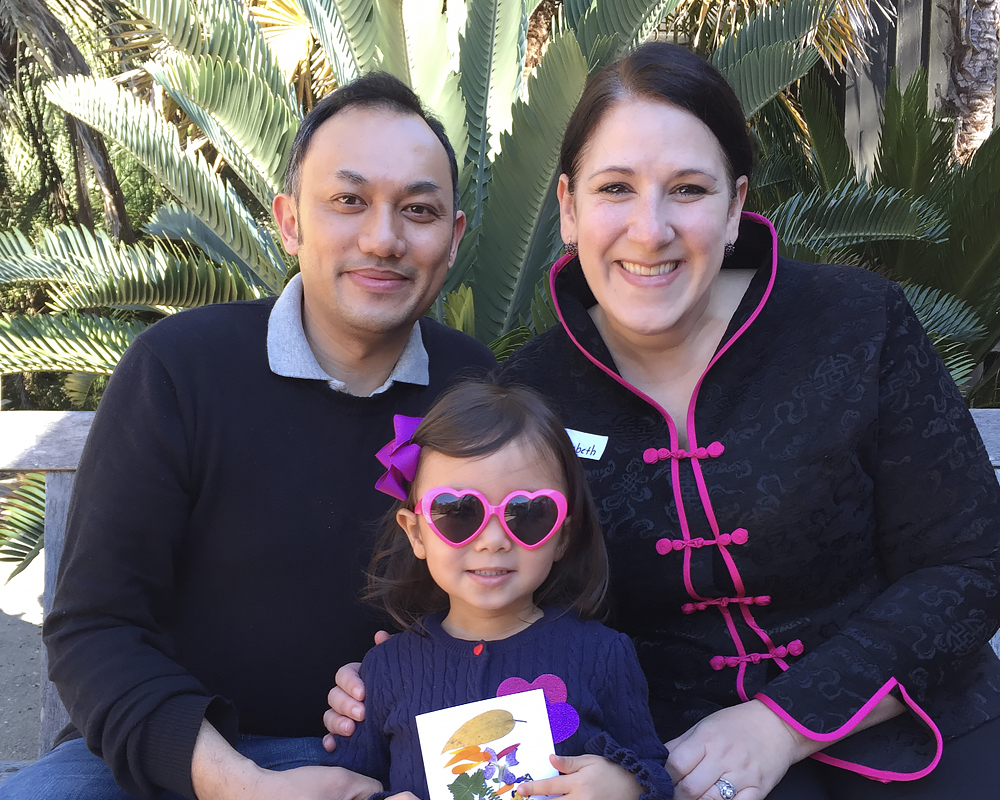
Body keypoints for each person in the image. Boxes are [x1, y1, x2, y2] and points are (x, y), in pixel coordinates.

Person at [325, 43, 1000, 800]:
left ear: (736, 204)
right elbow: (498, 583)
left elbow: (969, 564)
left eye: (687, 189)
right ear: (570, 208)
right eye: (616, 188)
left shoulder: (856, 323)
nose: (650, 230)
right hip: (675, 759)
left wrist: (785, 721)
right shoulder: (533, 394)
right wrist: (402, 675)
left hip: (915, 717)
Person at [0, 73, 495, 800]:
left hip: (400, 758)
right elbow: (96, 625)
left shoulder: (475, 389)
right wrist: (237, 782)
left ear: (450, 239)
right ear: (290, 221)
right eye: (348, 201)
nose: (382, 238)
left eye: (417, 210)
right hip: (175, 761)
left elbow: (524, 587)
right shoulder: (180, 368)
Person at [320, 379, 673, 800]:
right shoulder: (383, 671)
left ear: (562, 534)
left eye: (526, 512)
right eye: (457, 512)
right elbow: (346, 786)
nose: (492, 540)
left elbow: (654, 769)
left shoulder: (604, 655)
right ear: (416, 533)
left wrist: (627, 786)